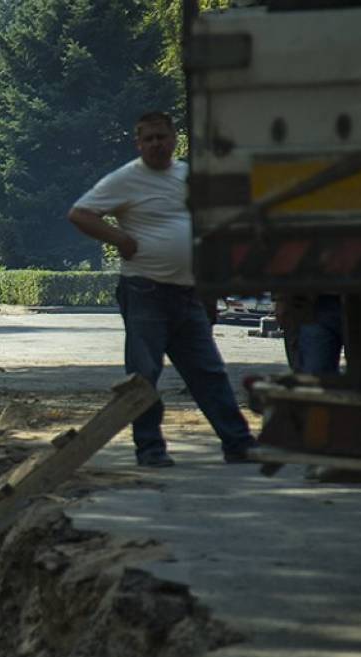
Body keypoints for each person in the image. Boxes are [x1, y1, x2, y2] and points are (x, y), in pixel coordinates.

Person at [68, 111, 256, 467]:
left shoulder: (188, 176)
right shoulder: (125, 179)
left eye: (162, 137)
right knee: (144, 374)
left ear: (174, 140)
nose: (156, 144)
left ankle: (238, 442)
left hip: (187, 293)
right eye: (149, 138)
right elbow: (80, 214)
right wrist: (120, 238)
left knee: (209, 371)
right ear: (138, 143)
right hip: (145, 291)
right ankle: (150, 449)